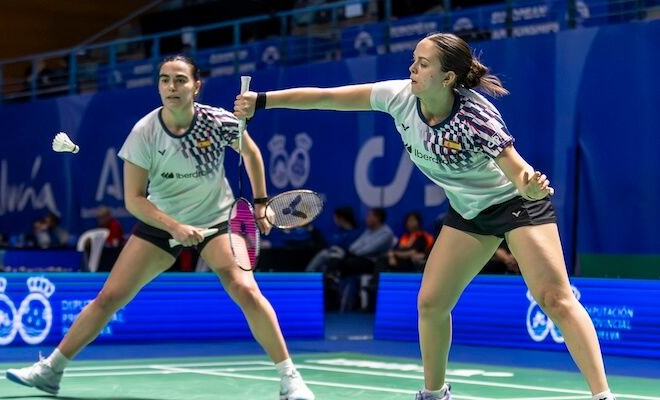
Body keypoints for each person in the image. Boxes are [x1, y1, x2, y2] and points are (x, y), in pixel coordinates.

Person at [233, 33, 614, 400]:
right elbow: (327, 97)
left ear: (447, 78)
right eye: (413, 60)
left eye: (423, 63)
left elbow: (516, 169)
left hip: (514, 204)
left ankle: (602, 395)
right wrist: (262, 101)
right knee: (431, 303)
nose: (412, 68)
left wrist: (529, 185)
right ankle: (434, 394)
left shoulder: (476, 116)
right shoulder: (398, 97)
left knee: (555, 299)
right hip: (469, 211)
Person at [6, 55, 314, 400]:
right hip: (161, 222)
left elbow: (251, 153)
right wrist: (176, 227)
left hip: (217, 221)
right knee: (109, 297)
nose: (171, 86)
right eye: (165, 79)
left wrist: (260, 203)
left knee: (245, 290)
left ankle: (290, 379)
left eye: (180, 80)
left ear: (196, 86)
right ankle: (51, 371)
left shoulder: (217, 121)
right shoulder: (145, 132)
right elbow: (134, 199)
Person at [305, 206, 361, 273]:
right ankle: (310, 274)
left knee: (325, 254)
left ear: (341, 218)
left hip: (342, 256)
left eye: (335, 218)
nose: (335, 220)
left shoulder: (355, 233)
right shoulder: (338, 232)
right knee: (323, 254)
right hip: (330, 255)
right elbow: (328, 244)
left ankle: (311, 274)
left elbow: (349, 248)